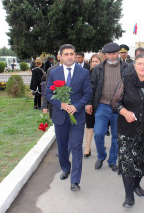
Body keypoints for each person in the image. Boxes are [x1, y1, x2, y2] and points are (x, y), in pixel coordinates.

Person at [111, 53, 144, 208]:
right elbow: (114, 102)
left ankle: (136, 184)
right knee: (127, 162)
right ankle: (128, 196)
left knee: (143, 161)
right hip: (128, 130)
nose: (142, 67)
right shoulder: (126, 81)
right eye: (139, 63)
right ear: (134, 65)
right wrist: (124, 112)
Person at [45, 44, 92, 191]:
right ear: (60, 56)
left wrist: (76, 106)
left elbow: (88, 94)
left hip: (77, 117)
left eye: (72, 53)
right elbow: (48, 93)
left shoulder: (83, 73)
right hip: (60, 116)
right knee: (62, 146)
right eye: (66, 54)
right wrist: (61, 104)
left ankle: (75, 181)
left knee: (77, 146)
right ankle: (65, 168)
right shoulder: (54, 72)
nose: (70, 56)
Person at [86, 42, 133, 172]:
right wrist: (89, 103)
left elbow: (132, 87)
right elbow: (92, 88)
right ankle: (101, 156)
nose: (112, 56)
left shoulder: (128, 67)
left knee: (116, 136)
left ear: (118, 53)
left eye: (114, 53)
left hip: (120, 107)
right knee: (99, 133)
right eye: (109, 54)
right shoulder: (98, 69)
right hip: (102, 105)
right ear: (105, 54)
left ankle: (112, 161)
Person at [83, 53, 103, 158]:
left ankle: (101, 145)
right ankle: (87, 147)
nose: (94, 63)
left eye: (97, 61)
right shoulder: (87, 74)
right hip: (90, 104)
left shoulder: (104, 74)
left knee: (101, 127)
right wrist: (88, 103)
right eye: (93, 61)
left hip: (102, 104)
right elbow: (85, 90)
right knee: (90, 125)